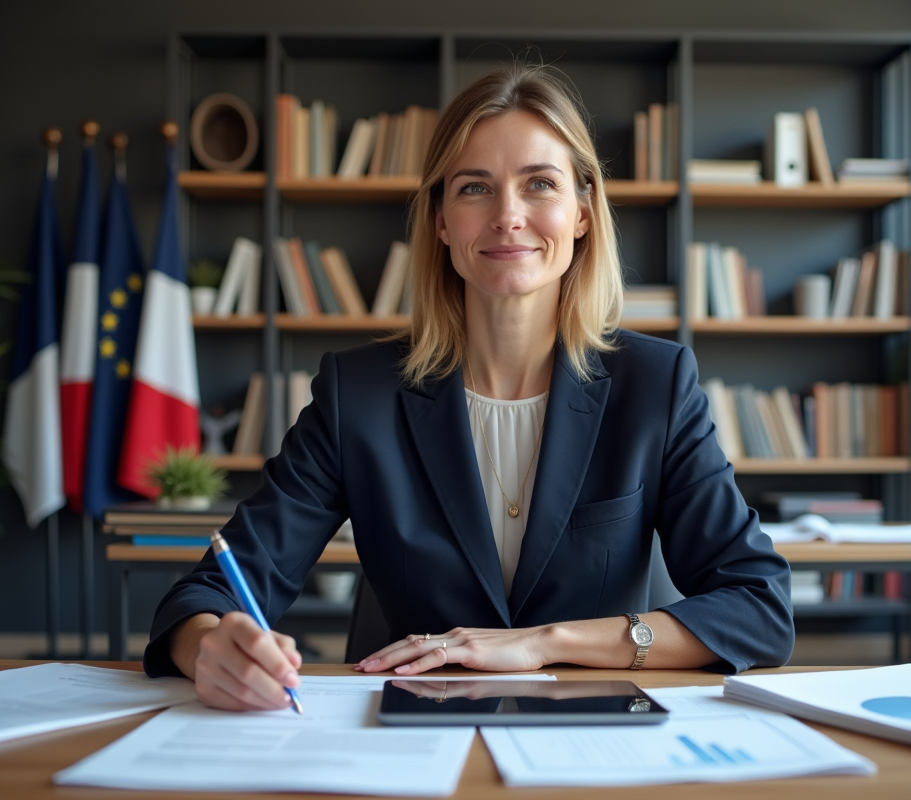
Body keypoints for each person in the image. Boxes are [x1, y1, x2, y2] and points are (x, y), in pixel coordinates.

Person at [145, 63, 794, 712]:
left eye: (540, 183)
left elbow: (758, 607)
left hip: (593, 741)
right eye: (475, 188)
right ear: (440, 221)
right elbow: (207, 594)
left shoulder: (655, 385)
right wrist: (212, 645)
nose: (508, 216)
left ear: (583, 212)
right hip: (410, 737)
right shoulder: (358, 395)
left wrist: (543, 642)